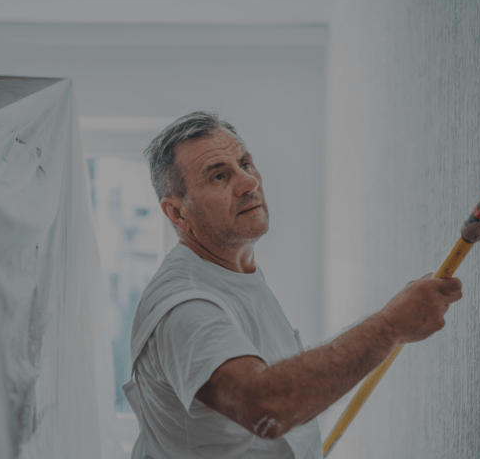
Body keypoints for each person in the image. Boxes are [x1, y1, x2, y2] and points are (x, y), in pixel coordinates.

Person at [124, 112, 462, 458]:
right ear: (177, 214)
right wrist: (392, 325)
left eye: (245, 163)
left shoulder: (234, 270)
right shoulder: (184, 305)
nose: (248, 183)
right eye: (219, 176)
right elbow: (265, 405)